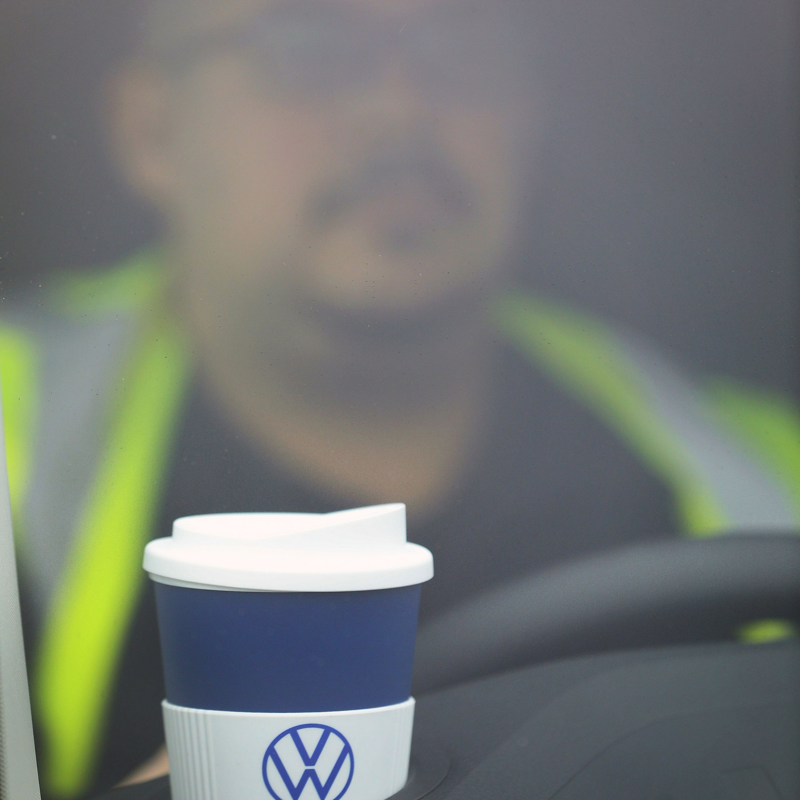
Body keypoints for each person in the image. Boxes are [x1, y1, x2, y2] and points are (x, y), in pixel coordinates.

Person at [2, 0, 799, 797]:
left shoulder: (765, 476)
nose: (402, 104)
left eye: (464, 44)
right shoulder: (20, 438)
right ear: (151, 129)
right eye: (306, 45)